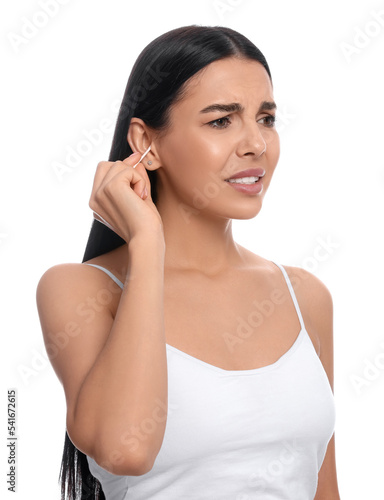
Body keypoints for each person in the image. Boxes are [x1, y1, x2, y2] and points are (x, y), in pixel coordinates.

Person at [36, 25, 340, 500]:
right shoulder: (80, 290)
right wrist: (148, 243)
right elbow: (126, 451)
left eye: (266, 118)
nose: (256, 144)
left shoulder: (306, 297)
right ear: (145, 143)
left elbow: (326, 491)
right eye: (222, 121)